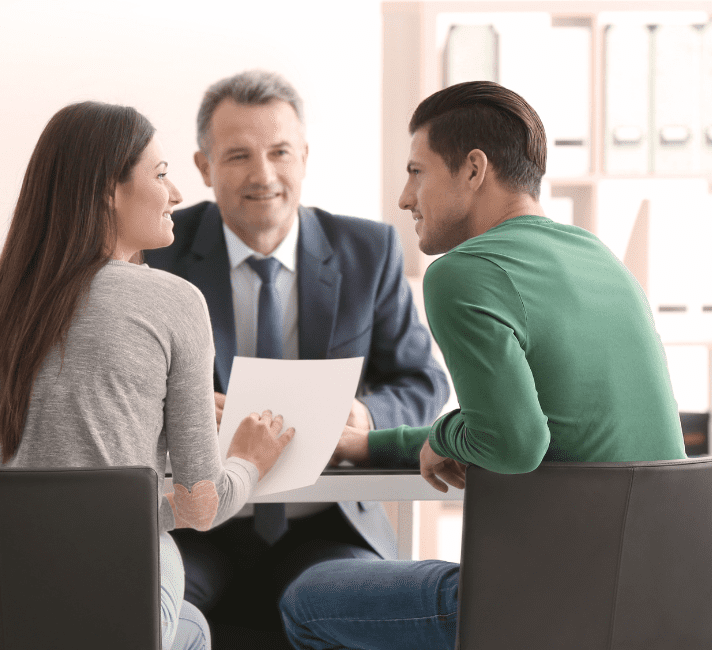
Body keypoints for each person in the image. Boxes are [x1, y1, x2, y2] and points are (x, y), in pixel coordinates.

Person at [278, 81, 688, 650]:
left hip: (548, 601)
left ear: (473, 169)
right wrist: (374, 445)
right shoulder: (599, 258)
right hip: (660, 595)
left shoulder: (466, 271)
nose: (403, 197)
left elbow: (515, 443)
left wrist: (447, 432)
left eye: (416, 172)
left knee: (308, 597)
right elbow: (530, 426)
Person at [0, 101, 295, 650]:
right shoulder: (173, 301)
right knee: (193, 629)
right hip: (120, 586)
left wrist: (139, 501)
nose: (177, 195)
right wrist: (248, 461)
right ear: (106, 191)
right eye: (162, 175)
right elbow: (200, 504)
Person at [143, 69, 450, 642]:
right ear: (205, 167)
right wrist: (172, 413)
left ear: (304, 156)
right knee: (146, 608)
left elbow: (422, 380)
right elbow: (123, 388)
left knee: (359, 609)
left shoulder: (368, 250)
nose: (264, 175)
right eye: (238, 156)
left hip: (326, 524)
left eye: (280, 152)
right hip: (198, 523)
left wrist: (368, 418)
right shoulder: (158, 255)